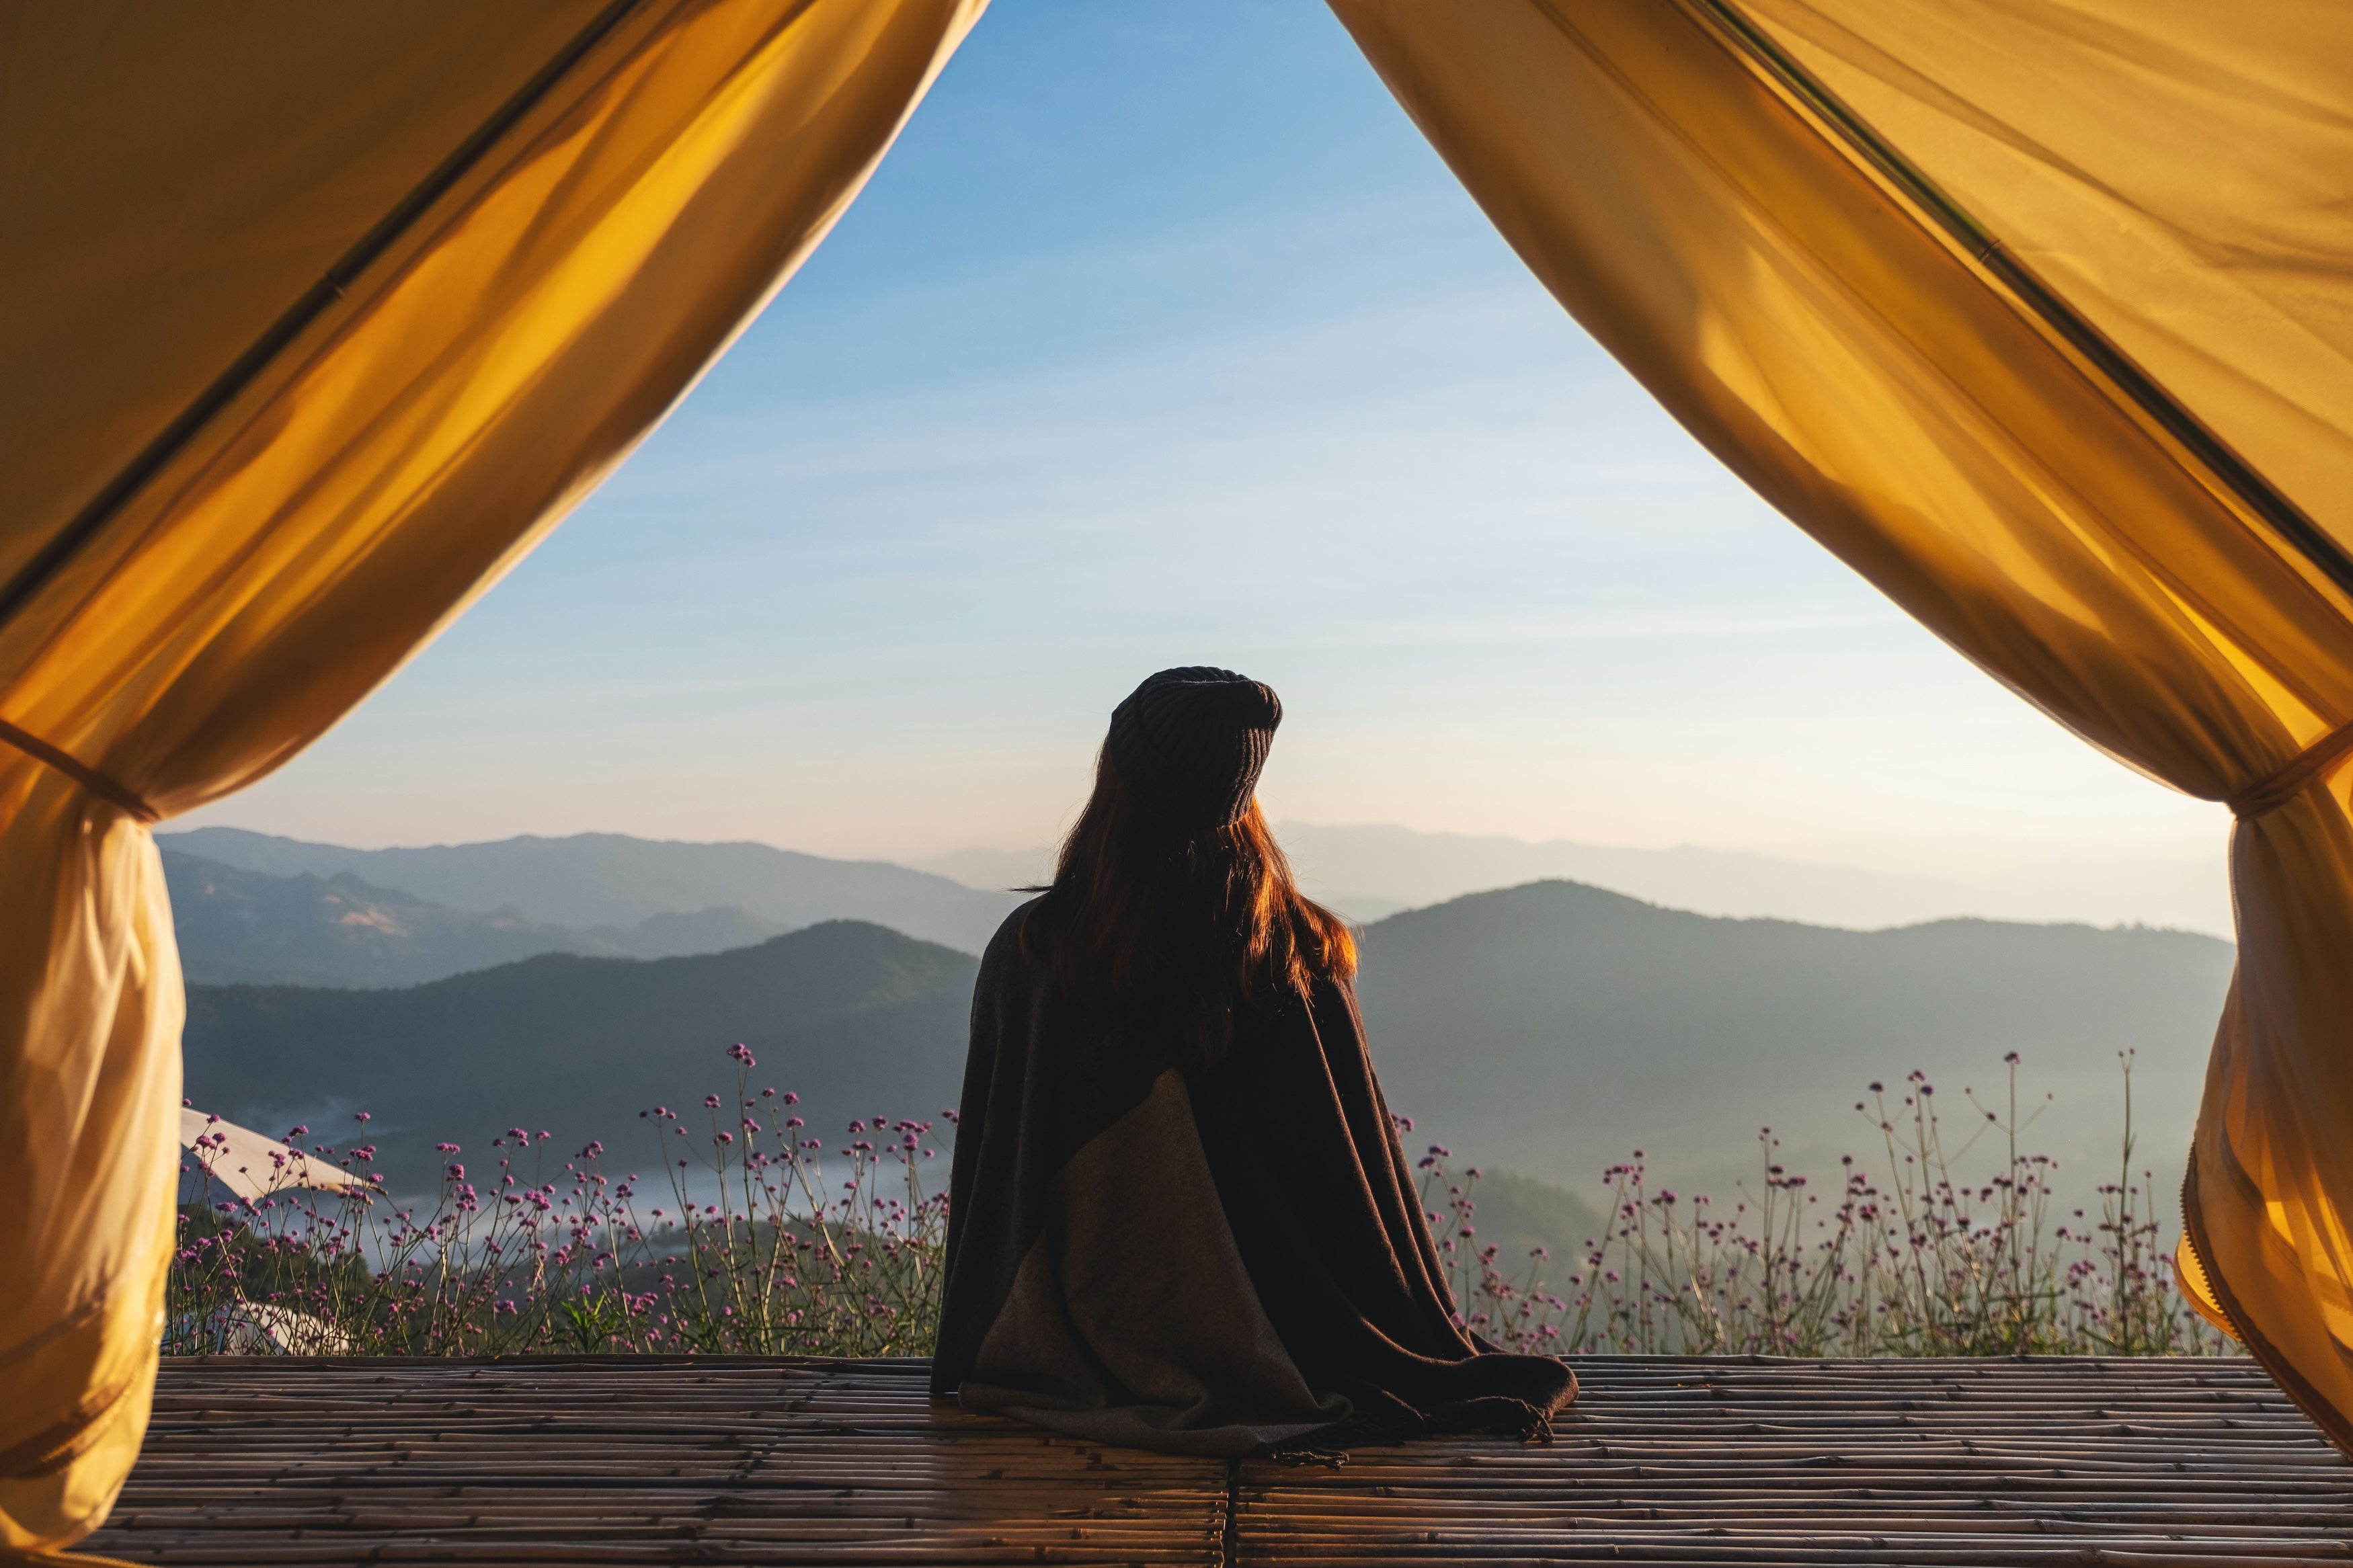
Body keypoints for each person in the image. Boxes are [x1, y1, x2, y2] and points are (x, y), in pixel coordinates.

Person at [932, 667, 1576, 1454]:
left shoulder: (1041, 953)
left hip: (1098, 1321)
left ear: (1116, 779)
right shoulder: (1302, 951)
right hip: (1304, 1335)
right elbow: (1345, 1185)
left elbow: (1005, 1178)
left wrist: (974, 1336)